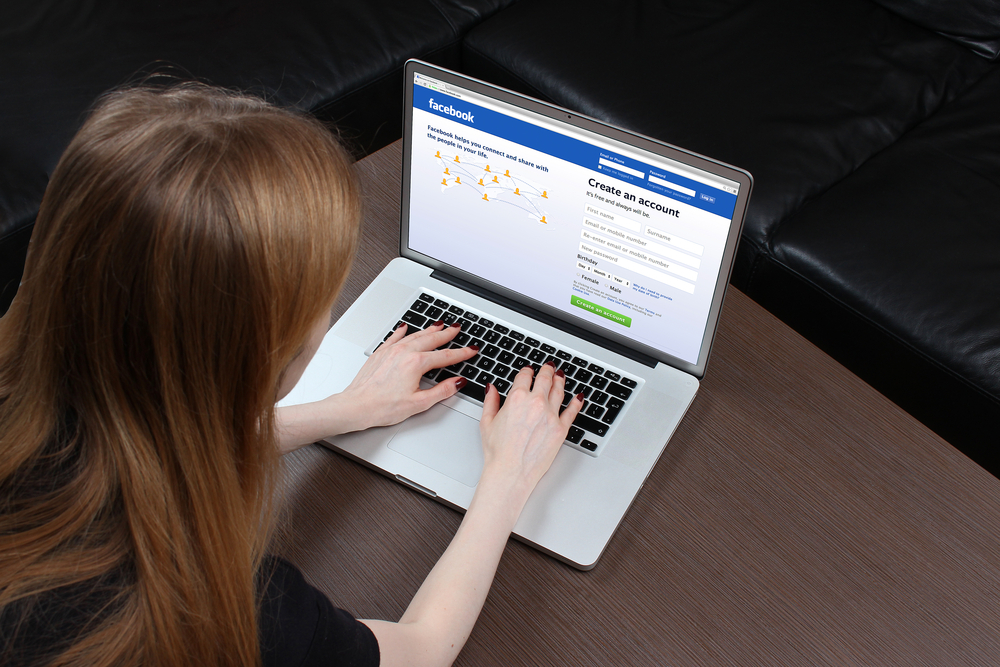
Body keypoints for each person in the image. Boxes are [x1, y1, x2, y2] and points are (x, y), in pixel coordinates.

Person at [0, 83, 584, 667]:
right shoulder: (214, 614)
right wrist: (509, 478)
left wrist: (346, 410)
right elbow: (421, 650)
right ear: (267, 358)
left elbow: (143, 414)